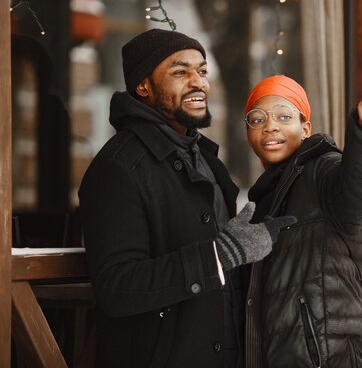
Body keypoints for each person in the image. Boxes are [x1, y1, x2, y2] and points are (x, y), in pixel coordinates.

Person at [79, 28, 294, 368]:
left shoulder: (206, 158)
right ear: (143, 86)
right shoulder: (118, 168)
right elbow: (116, 288)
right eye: (181, 72)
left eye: (202, 71)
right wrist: (219, 256)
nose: (199, 82)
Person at [243, 63, 362, 368]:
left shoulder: (323, 169)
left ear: (305, 128)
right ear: (248, 132)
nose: (270, 126)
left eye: (284, 116)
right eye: (258, 119)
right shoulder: (261, 201)